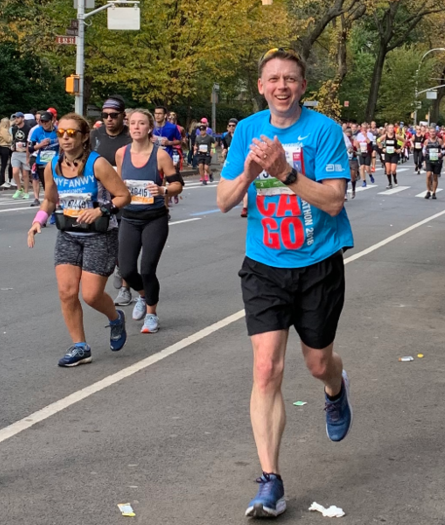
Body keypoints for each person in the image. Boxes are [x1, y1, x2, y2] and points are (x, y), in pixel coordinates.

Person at [217, 47, 354, 519]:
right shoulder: (247, 131)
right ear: (261, 86)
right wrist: (251, 173)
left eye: (290, 79)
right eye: (273, 78)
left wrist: (285, 172)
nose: (281, 86)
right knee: (265, 370)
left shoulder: (324, 130)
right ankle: (270, 480)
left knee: (317, 364)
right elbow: (223, 199)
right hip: (264, 266)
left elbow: (334, 201)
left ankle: (336, 390)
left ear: (302, 86)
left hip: (318, 264)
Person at [27, 113, 131, 367]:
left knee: (91, 295)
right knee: (66, 292)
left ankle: (115, 318)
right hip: (68, 234)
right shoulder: (53, 165)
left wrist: (101, 210)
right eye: (61, 133)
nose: (64, 138)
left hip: (99, 235)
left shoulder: (97, 164)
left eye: (71, 133)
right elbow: (50, 200)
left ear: (84, 137)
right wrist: (38, 221)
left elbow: (123, 196)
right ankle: (80, 346)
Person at [115, 109, 183, 334]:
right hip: (130, 218)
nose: (136, 127)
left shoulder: (160, 155)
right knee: (126, 269)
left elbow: (177, 184)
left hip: (155, 218)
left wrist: (163, 189)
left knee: (147, 269)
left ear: (149, 128)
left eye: (141, 123)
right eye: (132, 123)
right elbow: (116, 184)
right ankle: (143, 295)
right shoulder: (121, 154)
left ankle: (152, 314)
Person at [89, 95, 133, 308]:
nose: (108, 119)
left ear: (123, 116)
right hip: (99, 198)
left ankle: (125, 288)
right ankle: (118, 266)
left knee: (124, 243)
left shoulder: (130, 138)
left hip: (125, 198)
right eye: (105, 115)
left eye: (113, 115)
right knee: (107, 242)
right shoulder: (95, 136)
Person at [29, 111, 59, 206]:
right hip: (41, 163)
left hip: (55, 163)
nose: (44, 123)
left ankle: (56, 209)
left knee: (55, 187)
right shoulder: (37, 131)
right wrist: (41, 145)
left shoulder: (58, 131)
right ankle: (52, 210)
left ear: (52, 120)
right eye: (42, 121)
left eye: (46, 121)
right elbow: (30, 148)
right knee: (47, 188)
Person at [10, 112, 33, 199]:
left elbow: (29, 141)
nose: (16, 120)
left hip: (24, 152)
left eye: (18, 118)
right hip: (16, 152)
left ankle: (26, 191)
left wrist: (27, 153)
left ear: (23, 118)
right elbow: (14, 139)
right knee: (15, 171)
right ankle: (19, 188)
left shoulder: (28, 128)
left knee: (25, 174)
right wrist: (12, 145)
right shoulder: (14, 129)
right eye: (15, 118)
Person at [377, 124, 402, 189]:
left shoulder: (396, 136)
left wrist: (400, 149)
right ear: (387, 129)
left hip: (394, 154)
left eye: (392, 128)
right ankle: (390, 183)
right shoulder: (385, 136)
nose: (391, 129)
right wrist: (382, 148)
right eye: (390, 128)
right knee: (388, 171)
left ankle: (395, 179)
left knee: (393, 170)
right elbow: (378, 141)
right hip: (387, 154)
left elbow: (404, 141)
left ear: (393, 129)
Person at [423, 127, 443, 199]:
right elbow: (424, 150)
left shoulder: (440, 141)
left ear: (436, 132)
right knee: (428, 175)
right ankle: (428, 191)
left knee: (435, 177)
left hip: (437, 161)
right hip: (429, 160)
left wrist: (441, 153)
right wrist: (424, 159)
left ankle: (434, 192)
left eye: (434, 132)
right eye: (431, 132)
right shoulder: (426, 141)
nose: (432, 133)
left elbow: (443, 150)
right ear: (429, 133)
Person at [355, 123, 374, 187]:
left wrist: (366, 136)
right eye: (363, 128)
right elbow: (357, 143)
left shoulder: (370, 134)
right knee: (361, 167)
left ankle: (370, 175)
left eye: (365, 128)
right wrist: (358, 148)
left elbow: (370, 143)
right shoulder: (359, 135)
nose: (364, 129)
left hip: (367, 152)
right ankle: (364, 181)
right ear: (361, 128)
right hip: (361, 152)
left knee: (367, 168)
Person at [0, 117, 13, 187]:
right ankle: (2, 181)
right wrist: (12, 135)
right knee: (4, 165)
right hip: (4, 147)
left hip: (1, 147)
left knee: (4, 165)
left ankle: (3, 180)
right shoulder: (4, 130)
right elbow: (8, 140)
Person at [344, 127, 359, 199]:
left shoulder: (354, 141)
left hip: (353, 160)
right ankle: (345, 193)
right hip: (345, 160)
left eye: (349, 136)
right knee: (345, 177)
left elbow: (359, 151)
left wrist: (353, 151)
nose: (347, 137)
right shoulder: (342, 141)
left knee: (352, 177)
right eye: (346, 136)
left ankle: (353, 190)